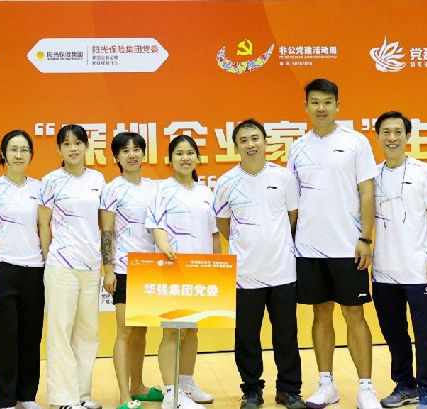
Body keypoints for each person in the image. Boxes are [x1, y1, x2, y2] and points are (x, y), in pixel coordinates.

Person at [286, 78, 381, 409]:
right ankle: (326, 384)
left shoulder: (356, 142)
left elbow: (367, 191)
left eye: (327, 102)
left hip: (347, 246)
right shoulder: (298, 147)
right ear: (306, 107)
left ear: (338, 105)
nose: (321, 108)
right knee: (320, 314)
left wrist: (366, 237)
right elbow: (293, 200)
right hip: (309, 247)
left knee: (354, 314)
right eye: (315, 102)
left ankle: (366, 387)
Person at [213, 119, 307, 409]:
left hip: (282, 271)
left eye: (255, 138)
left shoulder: (284, 177)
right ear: (235, 147)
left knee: (286, 336)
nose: (250, 145)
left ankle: (289, 390)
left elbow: (292, 217)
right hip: (245, 275)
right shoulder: (226, 182)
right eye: (243, 140)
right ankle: (252, 390)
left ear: (266, 141)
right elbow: (223, 223)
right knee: (246, 337)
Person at [370, 112, 427, 409]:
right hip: (383, 270)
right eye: (386, 132)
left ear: (407, 136)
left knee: (424, 333)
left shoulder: (423, 172)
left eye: (398, 132)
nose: (392, 138)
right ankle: (405, 385)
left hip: (416, 268)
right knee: (394, 333)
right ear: (378, 136)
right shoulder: (371, 176)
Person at [146, 135, 220, 409]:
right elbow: (156, 226)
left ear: (197, 158)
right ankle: (171, 393)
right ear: (170, 159)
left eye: (190, 153)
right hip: (172, 270)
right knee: (172, 332)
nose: (185, 158)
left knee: (191, 330)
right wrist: (165, 247)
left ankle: (186, 385)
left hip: (200, 272)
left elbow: (214, 234)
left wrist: (218, 269)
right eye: (179, 153)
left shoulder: (205, 192)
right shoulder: (161, 190)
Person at [38, 125, 106, 409]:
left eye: (78, 143)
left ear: (87, 146)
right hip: (61, 266)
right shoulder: (51, 181)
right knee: (60, 332)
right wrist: (48, 258)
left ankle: (82, 394)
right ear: (59, 149)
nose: (73, 148)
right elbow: (43, 224)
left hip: (91, 267)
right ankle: (63, 398)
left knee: (88, 333)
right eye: (67, 144)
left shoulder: (98, 179)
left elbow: (104, 224)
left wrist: (105, 263)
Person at [0, 130, 45, 409]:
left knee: (31, 337)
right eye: (13, 149)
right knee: (3, 338)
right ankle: (5, 400)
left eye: (24, 150)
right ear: (3, 154)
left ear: (31, 154)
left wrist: (48, 265)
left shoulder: (40, 188)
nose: (19, 155)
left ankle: (26, 396)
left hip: (34, 270)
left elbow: (44, 228)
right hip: (1, 269)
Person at [100, 132, 165, 409]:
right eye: (125, 151)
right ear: (116, 156)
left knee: (141, 332)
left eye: (137, 149)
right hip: (125, 268)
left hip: (150, 269)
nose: (132, 155)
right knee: (125, 332)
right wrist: (109, 269)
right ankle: (124, 395)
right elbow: (107, 231)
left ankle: (138, 386)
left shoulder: (154, 188)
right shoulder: (112, 189)